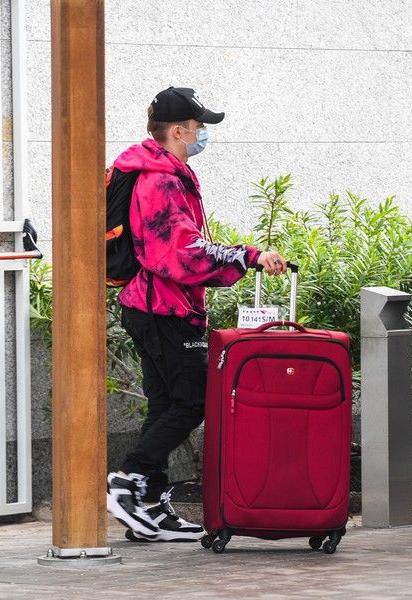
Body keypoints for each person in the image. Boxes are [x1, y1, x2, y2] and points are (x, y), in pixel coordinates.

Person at [105, 86, 287, 541]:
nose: (203, 133)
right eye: (199, 126)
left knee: (167, 404)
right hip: (161, 307)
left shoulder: (161, 169)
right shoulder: (160, 179)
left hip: (153, 306)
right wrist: (247, 255)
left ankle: (149, 510)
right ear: (179, 130)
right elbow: (179, 253)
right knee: (190, 401)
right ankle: (130, 480)